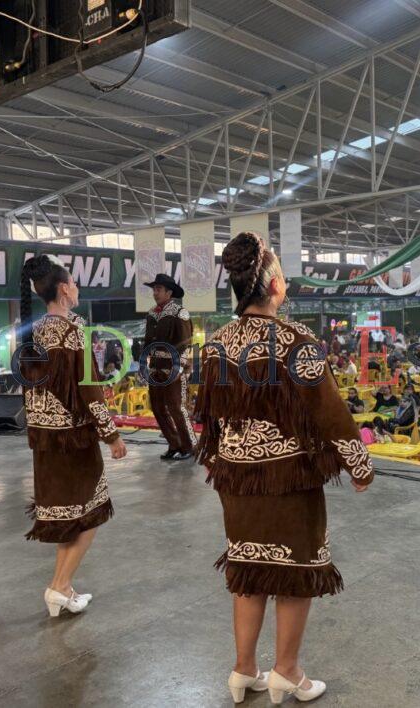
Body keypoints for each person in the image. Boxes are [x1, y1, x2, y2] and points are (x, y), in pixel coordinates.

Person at [194, 232, 373, 704]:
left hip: (235, 479)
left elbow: (206, 419)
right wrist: (358, 465)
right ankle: (287, 671)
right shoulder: (298, 342)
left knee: (249, 569)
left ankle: (243, 670)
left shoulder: (215, 346)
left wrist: (224, 460)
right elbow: (330, 412)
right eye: (283, 277)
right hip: (288, 478)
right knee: (294, 573)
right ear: (273, 283)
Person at [18, 255, 127, 617]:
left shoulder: (36, 331)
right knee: (90, 513)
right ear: (64, 289)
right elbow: (89, 390)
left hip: (45, 438)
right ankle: (59, 586)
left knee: (70, 515)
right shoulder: (73, 333)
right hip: (73, 439)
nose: (77, 288)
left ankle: (63, 586)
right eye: (74, 283)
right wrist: (111, 435)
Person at [142, 273, 195, 461]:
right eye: (154, 289)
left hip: (174, 368)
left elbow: (186, 343)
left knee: (176, 408)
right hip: (155, 369)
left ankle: (189, 447)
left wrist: (179, 367)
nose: (155, 293)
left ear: (169, 292)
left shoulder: (180, 312)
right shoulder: (151, 313)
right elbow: (147, 341)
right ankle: (174, 444)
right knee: (157, 407)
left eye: (158, 289)